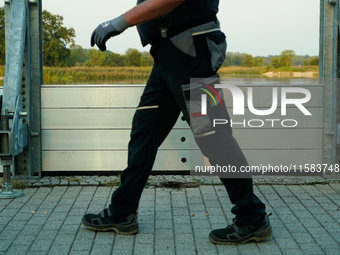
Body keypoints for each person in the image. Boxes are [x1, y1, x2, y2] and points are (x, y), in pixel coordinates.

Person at [82, 0, 273, 245]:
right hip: (166, 56)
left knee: (215, 138)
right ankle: (122, 212)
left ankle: (253, 219)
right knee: (144, 133)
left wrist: (119, 22)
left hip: (192, 52)